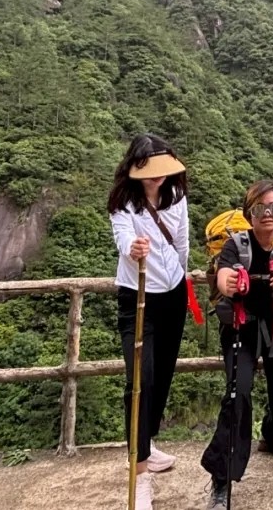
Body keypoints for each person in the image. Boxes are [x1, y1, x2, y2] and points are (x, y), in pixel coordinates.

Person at [201, 180, 273, 508]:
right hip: (242, 327)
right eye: (260, 208)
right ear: (250, 213)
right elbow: (223, 278)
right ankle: (221, 480)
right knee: (238, 396)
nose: (268, 213)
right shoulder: (236, 245)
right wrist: (232, 283)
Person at [108, 133, 191, 510]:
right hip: (137, 297)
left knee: (163, 374)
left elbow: (182, 242)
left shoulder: (176, 195)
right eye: (149, 169)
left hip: (173, 294)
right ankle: (139, 472)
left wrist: (182, 276)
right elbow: (123, 238)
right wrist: (133, 248)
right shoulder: (123, 202)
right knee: (140, 380)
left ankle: (147, 443)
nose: (157, 176)